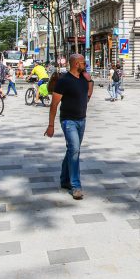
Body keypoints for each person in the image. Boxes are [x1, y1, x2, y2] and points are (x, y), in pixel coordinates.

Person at [44, 54, 93, 200]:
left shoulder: (84, 79)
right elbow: (54, 104)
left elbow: (88, 94)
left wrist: (89, 79)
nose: (86, 64)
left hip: (81, 120)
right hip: (68, 121)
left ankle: (64, 179)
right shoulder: (64, 81)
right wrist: (51, 125)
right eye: (84, 62)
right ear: (77, 64)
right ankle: (76, 186)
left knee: (72, 150)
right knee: (75, 150)